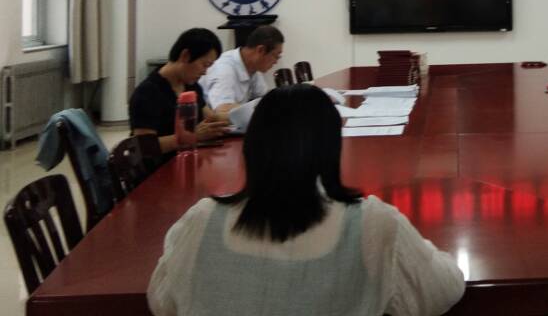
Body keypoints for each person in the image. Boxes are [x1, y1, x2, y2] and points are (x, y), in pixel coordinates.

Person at [147, 84, 465, 316]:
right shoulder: (373, 225)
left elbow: (162, 301)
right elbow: (440, 291)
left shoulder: (202, 220)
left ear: (252, 145)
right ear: (331, 147)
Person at [129, 28, 232, 154]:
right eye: (204, 65)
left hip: (191, 156)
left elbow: (211, 118)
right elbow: (144, 147)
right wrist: (189, 137)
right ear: (185, 55)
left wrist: (244, 117)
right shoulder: (147, 93)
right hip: (162, 163)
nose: (205, 72)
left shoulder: (191, 86)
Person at [199, 25, 284, 114]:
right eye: (276, 56)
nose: (276, 62)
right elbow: (222, 110)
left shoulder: (253, 68)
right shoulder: (224, 69)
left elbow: (265, 99)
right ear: (260, 50)